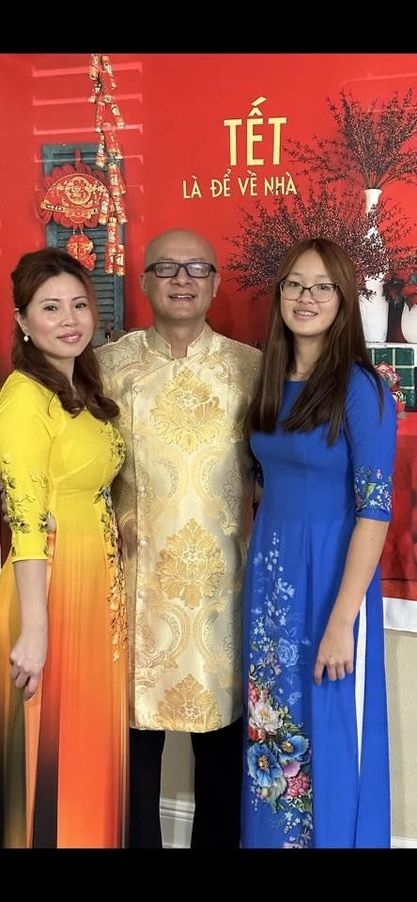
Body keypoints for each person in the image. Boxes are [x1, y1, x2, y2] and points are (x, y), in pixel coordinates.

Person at [96, 228, 262, 848]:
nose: (182, 280)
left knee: (221, 759)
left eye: (197, 269)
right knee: (132, 761)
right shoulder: (106, 368)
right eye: (167, 268)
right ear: (144, 282)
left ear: (216, 283)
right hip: (132, 591)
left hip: (223, 592)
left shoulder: (252, 369)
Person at [241, 237, 397, 849]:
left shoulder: (361, 389)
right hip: (271, 584)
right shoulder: (269, 380)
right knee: (273, 729)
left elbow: (374, 513)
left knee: (330, 727)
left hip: (335, 583)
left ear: (344, 300)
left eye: (323, 287)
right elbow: (266, 484)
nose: (306, 298)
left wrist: (342, 623)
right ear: (279, 294)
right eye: (295, 284)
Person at [0, 248, 128, 849]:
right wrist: (35, 628)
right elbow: (25, 517)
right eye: (50, 308)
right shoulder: (24, 397)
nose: (69, 320)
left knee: (87, 742)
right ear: (23, 320)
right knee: (49, 750)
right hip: (49, 587)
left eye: (79, 304)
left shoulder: (84, 388)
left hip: (96, 583)